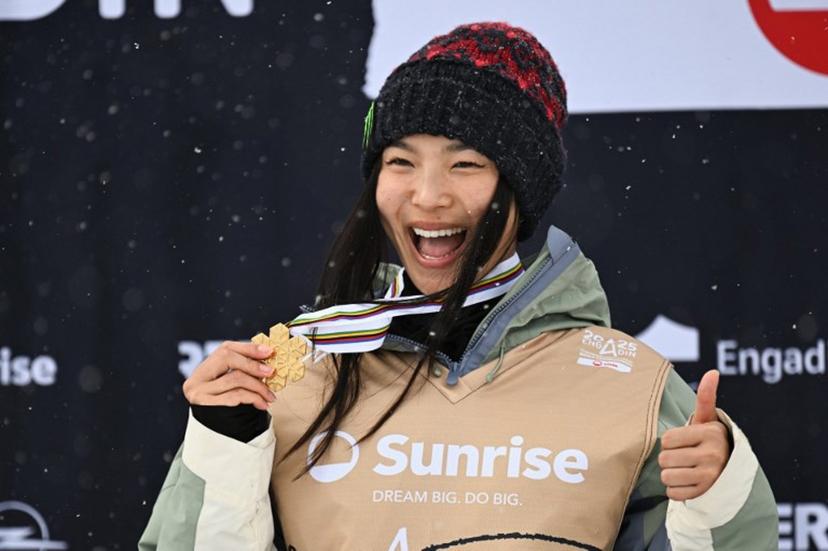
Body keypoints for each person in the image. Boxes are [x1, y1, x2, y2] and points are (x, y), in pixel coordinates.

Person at [138, 22, 778, 550]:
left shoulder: (630, 384)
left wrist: (719, 497)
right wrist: (225, 441)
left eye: (465, 164)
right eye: (400, 162)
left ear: (520, 191)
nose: (428, 196)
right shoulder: (296, 368)